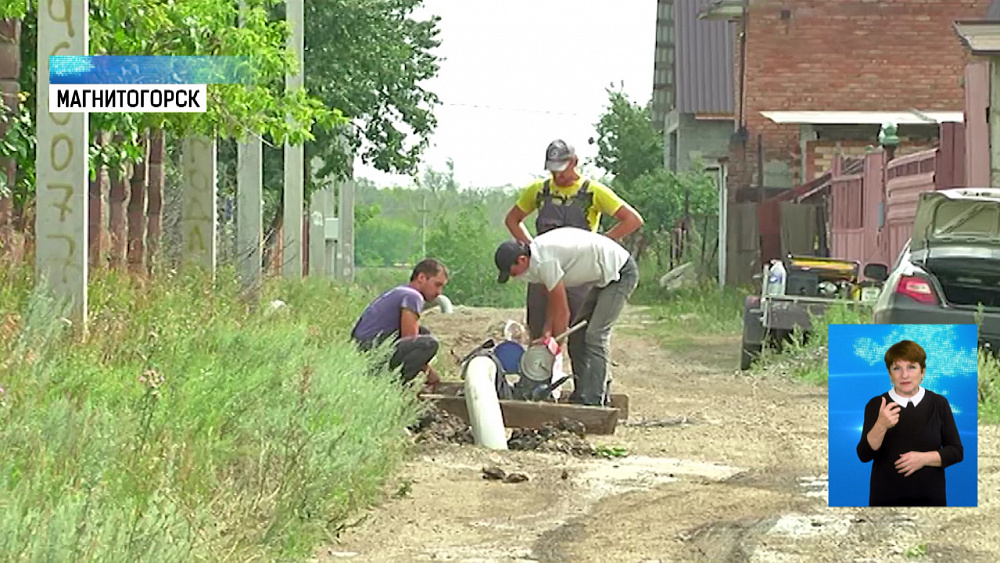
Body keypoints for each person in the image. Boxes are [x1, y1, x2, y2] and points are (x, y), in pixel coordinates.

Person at [503, 139, 643, 341]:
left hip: (578, 274)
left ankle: (573, 362)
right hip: (544, 270)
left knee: (576, 332)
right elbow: (512, 220)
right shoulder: (539, 191)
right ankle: (540, 362)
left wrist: (603, 242)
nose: (557, 175)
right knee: (538, 329)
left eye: (561, 169)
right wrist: (531, 249)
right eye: (553, 170)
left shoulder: (593, 191)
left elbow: (632, 220)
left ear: (574, 162)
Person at [494, 227, 639, 406]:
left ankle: (594, 400)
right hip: (605, 277)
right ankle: (582, 393)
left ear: (522, 259)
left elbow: (563, 312)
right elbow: (553, 301)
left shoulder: (545, 261)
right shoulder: (537, 260)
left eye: (513, 272)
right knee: (577, 337)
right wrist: (547, 332)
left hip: (621, 272)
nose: (515, 277)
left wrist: (554, 348)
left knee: (595, 335)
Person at [856, 340, 964, 506]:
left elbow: (956, 452)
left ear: (923, 372)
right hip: (885, 502)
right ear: (890, 374)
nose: (904, 375)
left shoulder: (939, 403)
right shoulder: (877, 404)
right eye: (897, 368)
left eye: (911, 367)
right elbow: (864, 455)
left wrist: (923, 459)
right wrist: (881, 425)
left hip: (931, 501)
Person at [351, 258, 449, 389]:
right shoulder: (413, 296)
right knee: (429, 344)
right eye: (437, 285)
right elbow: (409, 339)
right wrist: (430, 373)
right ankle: (394, 385)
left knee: (423, 333)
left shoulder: (400, 291)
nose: (439, 292)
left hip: (363, 347)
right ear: (421, 278)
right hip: (372, 349)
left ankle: (387, 377)